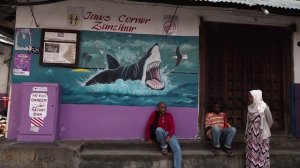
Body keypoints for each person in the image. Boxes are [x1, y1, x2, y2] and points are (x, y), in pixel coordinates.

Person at [145, 102, 182, 168]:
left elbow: (172, 127)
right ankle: (164, 146)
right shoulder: (154, 114)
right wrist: (148, 138)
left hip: (169, 134)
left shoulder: (169, 115)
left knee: (178, 149)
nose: (164, 109)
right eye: (162, 107)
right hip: (159, 135)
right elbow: (148, 125)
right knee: (158, 129)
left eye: (165, 107)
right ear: (158, 108)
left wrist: (169, 136)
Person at [245, 90, 273, 168]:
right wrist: (246, 132)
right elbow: (248, 122)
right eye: (249, 97)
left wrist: (265, 130)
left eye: (251, 97)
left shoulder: (264, 107)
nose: (249, 99)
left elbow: (270, 120)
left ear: (256, 97)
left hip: (261, 136)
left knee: (261, 154)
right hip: (251, 136)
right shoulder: (249, 107)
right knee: (252, 153)